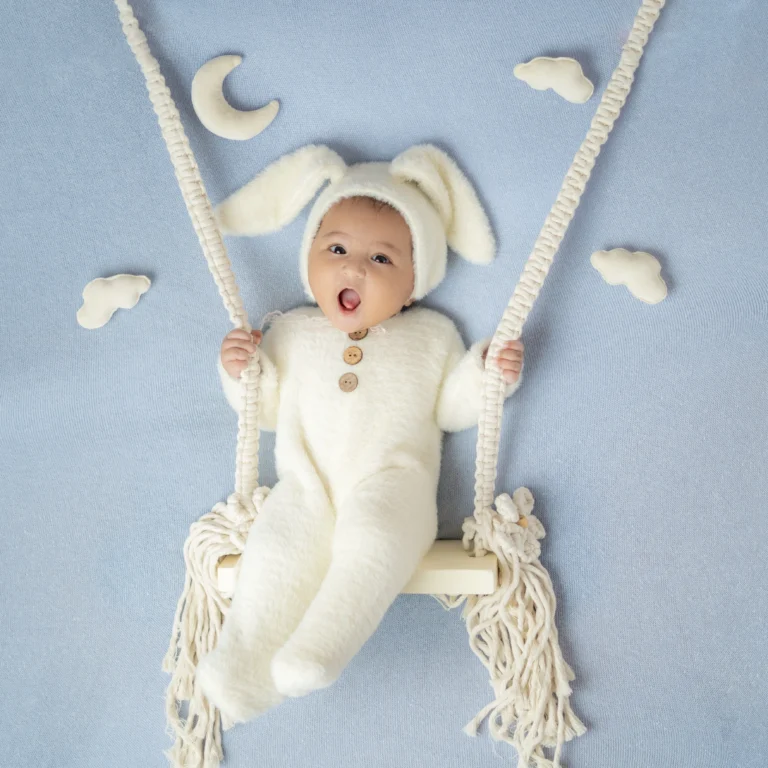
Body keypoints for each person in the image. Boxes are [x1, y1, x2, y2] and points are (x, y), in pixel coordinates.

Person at [196, 144, 524, 725]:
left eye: (382, 259)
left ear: (414, 282)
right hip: (306, 484)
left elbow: (452, 405)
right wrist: (240, 368)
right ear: (309, 259)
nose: (354, 268)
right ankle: (243, 663)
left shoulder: (432, 336)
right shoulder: (292, 333)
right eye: (338, 249)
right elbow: (263, 405)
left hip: (391, 485)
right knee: (275, 552)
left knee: (373, 543)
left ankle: (323, 646)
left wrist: (486, 373)